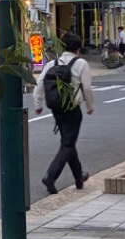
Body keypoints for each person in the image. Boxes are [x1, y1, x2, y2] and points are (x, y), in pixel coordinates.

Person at [33, 32, 95, 195]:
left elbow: (39, 84)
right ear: (78, 49)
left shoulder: (52, 63)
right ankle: (50, 176)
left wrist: (38, 104)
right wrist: (90, 105)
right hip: (72, 108)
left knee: (68, 142)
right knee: (67, 144)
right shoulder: (81, 63)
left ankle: (79, 177)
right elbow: (87, 88)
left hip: (56, 108)